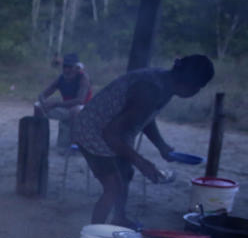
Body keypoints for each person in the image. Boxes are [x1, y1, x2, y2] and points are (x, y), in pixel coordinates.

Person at [72, 55, 214, 226]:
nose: (197, 91)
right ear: (191, 85)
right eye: (199, 87)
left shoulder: (166, 83)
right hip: (93, 131)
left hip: (112, 130)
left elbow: (143, 117)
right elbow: (110, 134)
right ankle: (92, 236)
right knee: (113, 187)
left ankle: (119, 219)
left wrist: (162, 146)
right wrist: (142, 162)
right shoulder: (150, 89)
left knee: (126, 173)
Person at [34, 52, 92, 148]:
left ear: (76, 68)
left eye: (69, 67)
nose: (66, 70)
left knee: (75, 110)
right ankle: (38, 138)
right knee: (38, 106)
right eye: (65, 66)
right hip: (66, 108)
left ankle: (75, 144)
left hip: (83, 110)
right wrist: (43, 102)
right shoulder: (61, 78)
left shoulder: (83, 78)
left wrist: (56, 104)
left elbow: (81, 100)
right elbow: (43, 94)